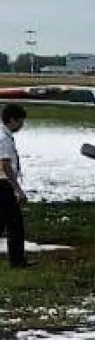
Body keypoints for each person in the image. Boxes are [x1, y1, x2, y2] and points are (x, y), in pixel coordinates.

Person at [0, 104, 28, 267]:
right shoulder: (4, 138)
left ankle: (17, 260)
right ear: (12, 120)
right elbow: (5, 165)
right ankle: (17, 261)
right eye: (20, 122)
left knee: (9, 223)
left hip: (3, 183)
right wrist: (17, 189)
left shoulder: (3, 134)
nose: (21, 126)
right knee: (15, 224)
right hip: (4, 184)